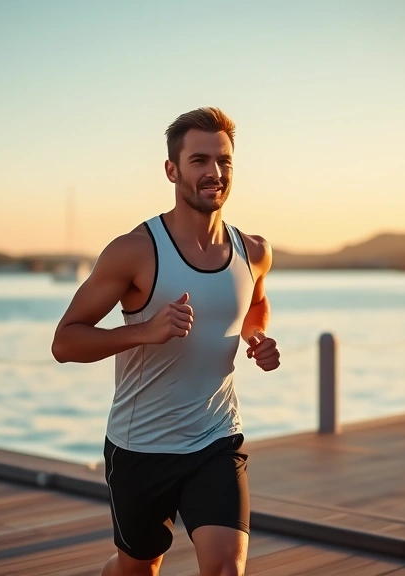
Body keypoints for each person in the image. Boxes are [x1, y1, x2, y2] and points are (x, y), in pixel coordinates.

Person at [51, 106, 279, 576]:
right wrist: (144, 331)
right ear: (172, 170)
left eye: (224, 161)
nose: (215, 173)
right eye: (199, 161)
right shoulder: (134, 251)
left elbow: (255, 304)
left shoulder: (253, 250)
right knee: (140, 566)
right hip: (142, 446)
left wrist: (257, 337)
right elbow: (65, 342)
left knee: (224, 569)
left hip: (217, 438)